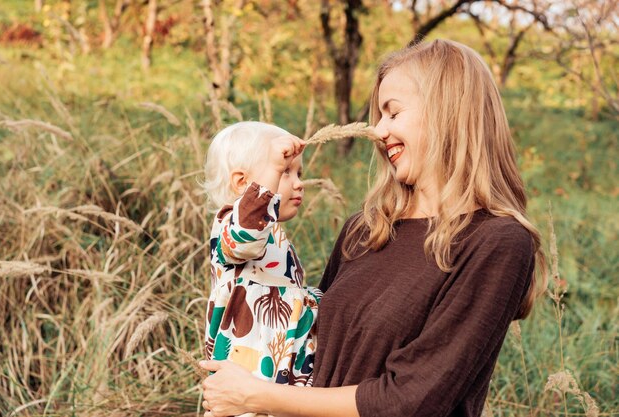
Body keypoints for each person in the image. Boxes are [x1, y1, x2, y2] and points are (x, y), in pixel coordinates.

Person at [199, 39, 547, 417]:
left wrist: (257, 396)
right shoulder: (365, 231)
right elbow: (313, 359)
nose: (379, 131)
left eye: (392, 113)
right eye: (379, 116)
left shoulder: (496, 242)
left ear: (448, 112)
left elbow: (414, 400)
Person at [202, 122, 323, 416]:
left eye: (299, 173)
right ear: (243, 183)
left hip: (277, 375)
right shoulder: (234, 225)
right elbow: (246, 237)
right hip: (247, 377)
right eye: (284, 172)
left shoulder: (275, 236)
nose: (298, 183)